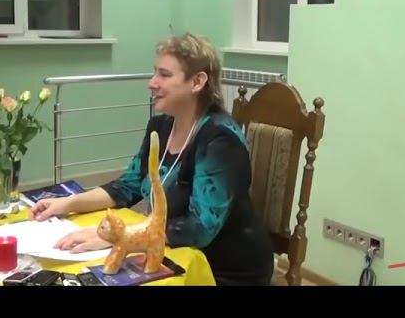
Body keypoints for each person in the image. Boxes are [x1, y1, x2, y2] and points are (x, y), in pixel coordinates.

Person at [31, 33, 275, 285]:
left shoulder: (219, 140)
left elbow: (201, 228)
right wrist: (66, 204)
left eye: (164, 75)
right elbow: (128, 186)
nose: (152, 82)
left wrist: (121, 237)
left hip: (223, 269)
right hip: (170, 250)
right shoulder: (160, 126)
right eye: (155, 73)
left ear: (197, 82)